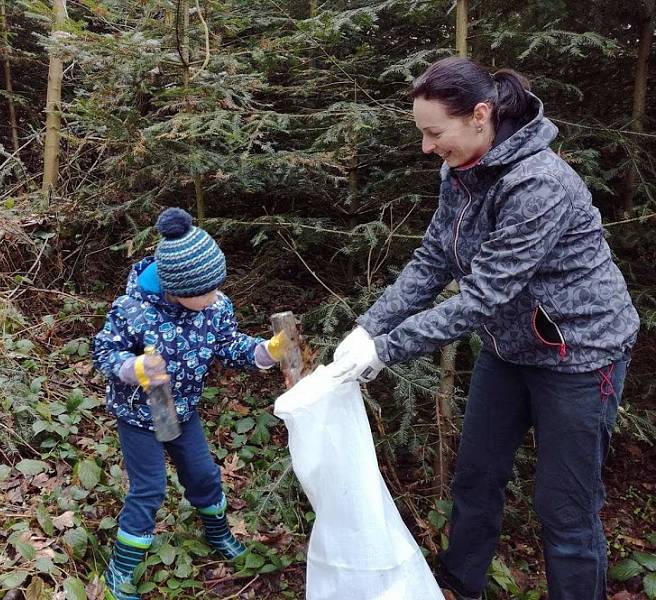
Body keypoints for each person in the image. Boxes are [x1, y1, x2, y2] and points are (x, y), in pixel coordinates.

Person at [330, 56, 638, 600]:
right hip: (508, 347)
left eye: (434, 133)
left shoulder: (539, 183)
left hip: (580, 355)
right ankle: (459, 586)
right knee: (475, 478)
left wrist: (386, 349)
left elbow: (483, 294)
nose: (427, 148)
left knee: (564, 509)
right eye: (422, 134)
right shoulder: (460, 171)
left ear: (479, 115)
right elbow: (433, 261)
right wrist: (368, 325)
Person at [92, 207, 288, 600]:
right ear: (176, 289)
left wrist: (265, 352)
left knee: (203, 475)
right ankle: (121, 570)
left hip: (181, 409)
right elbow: (103, 352)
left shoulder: (215, 307)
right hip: (139, 414)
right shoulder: (132, 310)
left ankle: (217, 532)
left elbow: (229, 345)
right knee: (149, 490)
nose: (216, 297)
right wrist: (132, 367)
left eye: (218, 287)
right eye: (206, 291)